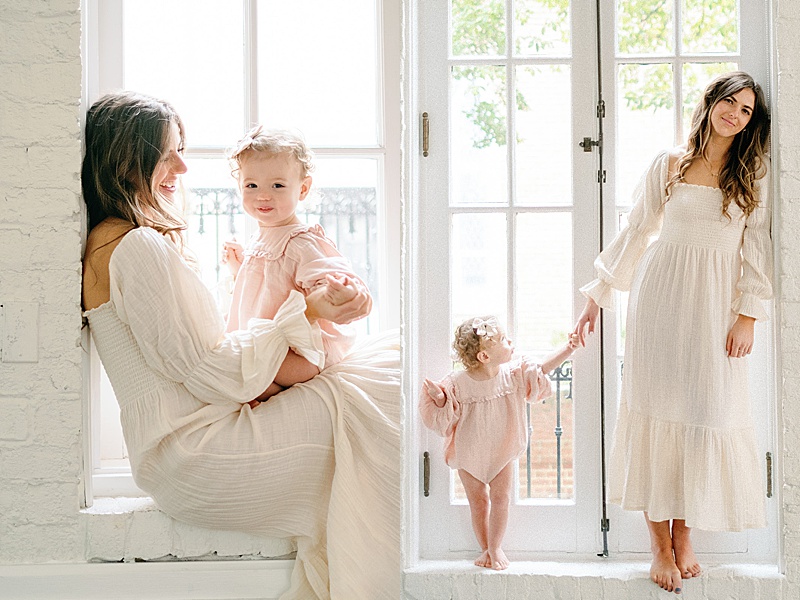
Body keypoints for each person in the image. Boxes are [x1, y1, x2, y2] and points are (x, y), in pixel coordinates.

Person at [81, 91, 400, 600]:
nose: (182, 167)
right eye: (168, 154)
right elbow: (211, 371)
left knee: (384, 377)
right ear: (126, 160)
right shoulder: (132, 244)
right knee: (392, 383)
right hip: (194, 449)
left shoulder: (117, 238)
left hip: (187, 439)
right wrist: (308, 312)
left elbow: (198, 360)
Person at [573, 71, 772, 595]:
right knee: (655, 412)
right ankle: (659, 543)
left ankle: (686, 533)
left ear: (752, 122)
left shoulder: (752, 174)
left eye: (747, 110)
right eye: (730, 101)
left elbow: (759, 248)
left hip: (714, 308)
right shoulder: (669, 164)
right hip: (659, 301)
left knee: (705, 411)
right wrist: (598, 295)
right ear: (710, 104)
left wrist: (747, 314)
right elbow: (636, 231)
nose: (735, 113)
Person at [419, 316, 579, 570]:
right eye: (504, 340)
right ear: (484, 356)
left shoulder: (512, 375)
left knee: (501, 497)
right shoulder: (457, 381)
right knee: (479, 501)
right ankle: (485, 549)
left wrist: (568, 348)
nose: (510, 342)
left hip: (502, 447)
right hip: (469, 449)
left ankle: (495, 547)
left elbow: (542, 369)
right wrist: (439, 398)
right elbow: (444, 409)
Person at [221, 126, 369, 400]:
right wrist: (238, 270)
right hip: (267, 346)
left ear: (302, 188)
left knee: (247, 370)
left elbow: (329, 275)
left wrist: (339, 290)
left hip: (299, 352)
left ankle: (263, 392)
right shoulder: (260, 238)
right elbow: (263, 288)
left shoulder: (301, 241)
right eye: (251, 185)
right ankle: (261, 391)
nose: (263, 195)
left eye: (277, 185)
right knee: (235, 363)